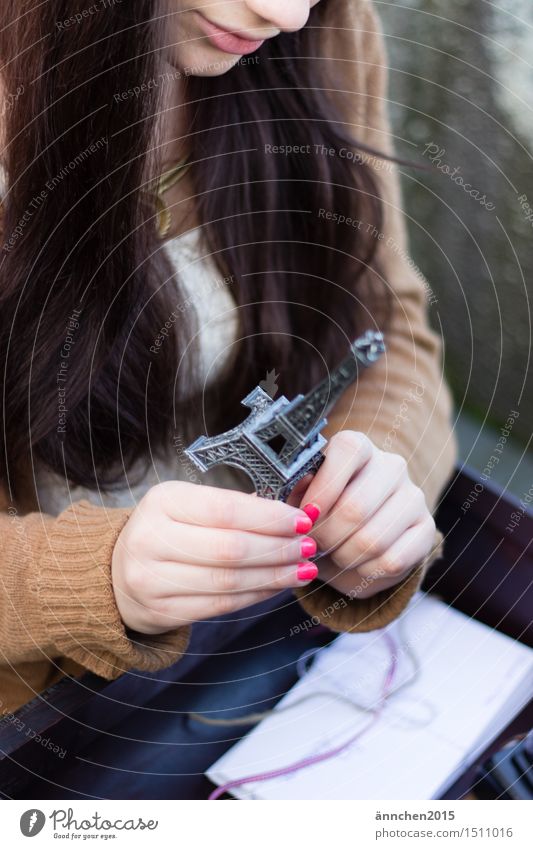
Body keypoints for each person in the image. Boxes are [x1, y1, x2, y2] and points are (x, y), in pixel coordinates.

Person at [0, 0, 457, 717]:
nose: (286, 15)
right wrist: (99, 577)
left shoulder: (333, 26)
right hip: (47, 710)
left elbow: (390, 325)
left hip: (265, 648)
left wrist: (375, 487)